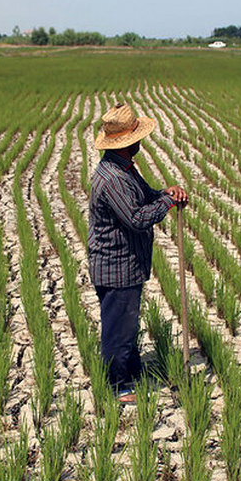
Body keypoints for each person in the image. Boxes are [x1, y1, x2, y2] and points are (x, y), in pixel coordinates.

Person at [87, 103, 187, 404]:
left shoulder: (124, 167)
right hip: (116, 264)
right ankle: (117, 385)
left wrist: (165, 194)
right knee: (118, 327)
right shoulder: (114, 178)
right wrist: (167, 205)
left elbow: (146, 195)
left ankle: (131, 372)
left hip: (125, 262)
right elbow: (137, 218)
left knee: (126, 323)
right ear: (130, 141)